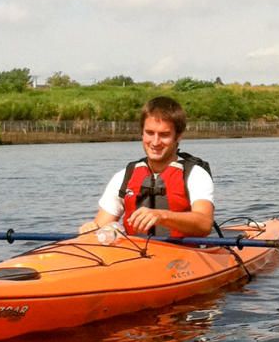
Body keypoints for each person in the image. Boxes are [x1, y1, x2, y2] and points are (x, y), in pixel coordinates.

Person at [80, 96, 215, 238]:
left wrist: (162, 216)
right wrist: (92, 229)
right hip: (136, 255)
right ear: (142, 133)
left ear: (178, 136)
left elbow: (204, 224)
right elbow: (101, 225)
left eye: (164, 135)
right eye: (150, 133)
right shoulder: (124, 176)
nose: (155, 142)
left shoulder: (195, 175)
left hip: (185, 255)